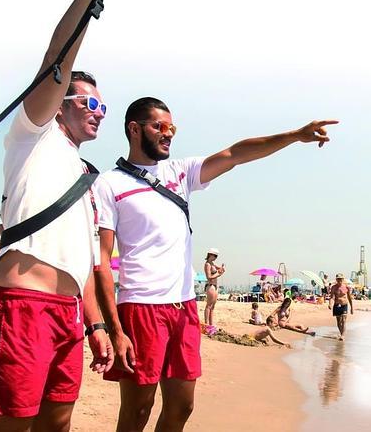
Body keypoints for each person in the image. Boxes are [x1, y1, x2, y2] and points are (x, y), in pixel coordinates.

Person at [94, 94, 337, 431]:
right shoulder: (110, 183)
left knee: (182, 406)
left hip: (183, 309)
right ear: (134, 129)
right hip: (141, 307)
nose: (168, 133)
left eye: (172, 128)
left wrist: (294, 135)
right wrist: (114, 329)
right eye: (159, 126)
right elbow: (102, 262)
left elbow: (235, 154)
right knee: (137, 410)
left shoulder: (179, 172)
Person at [0, 0, 116, 430]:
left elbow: (85, 260)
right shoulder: (31, 136)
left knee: (57, 424)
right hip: (22, 308)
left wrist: (94, 324)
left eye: (103, 108)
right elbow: (56, 61)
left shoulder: (85, 176)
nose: (98, 113)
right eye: (88, 103)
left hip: (68, 313)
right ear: (60, 104)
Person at [203, 248, 225, 330]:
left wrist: (221, 269)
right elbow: (209, 277)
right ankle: (206, 324)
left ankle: (211, 324)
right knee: (208, 306)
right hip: (210, 285)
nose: (216, 257)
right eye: (215, 255)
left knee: (213, 306)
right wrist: (218, 274)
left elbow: (219, 269)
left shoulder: (212, 264)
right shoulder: (207, 264)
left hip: (215, 286)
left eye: (216, 256)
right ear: (210, 255)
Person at [328, 273, 353, 340]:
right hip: (336, 305)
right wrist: (330, 304)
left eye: (340, 279)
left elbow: (349, 298)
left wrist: (352, 308)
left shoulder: (346, 287)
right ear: (336, 279)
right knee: (339, 321)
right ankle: (342, 333)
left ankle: (343, 336)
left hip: (344, 305)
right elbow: (331, 297)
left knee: (344, 320)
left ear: (343, 279)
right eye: (338, 279)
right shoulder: (333, 287)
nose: (339, 280)